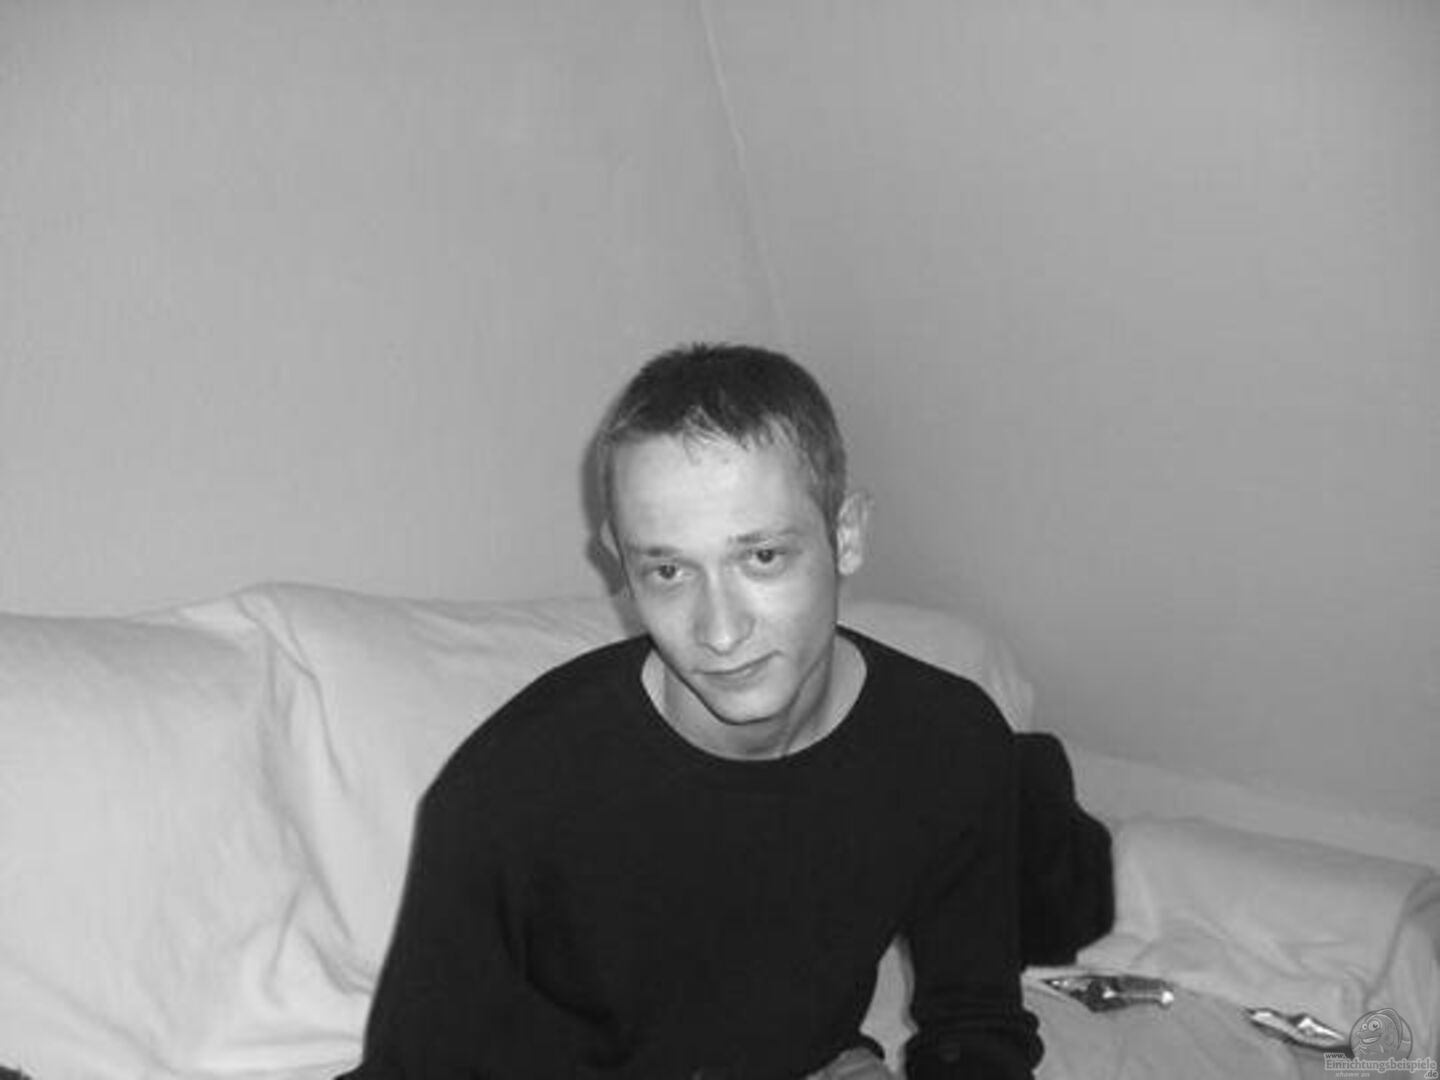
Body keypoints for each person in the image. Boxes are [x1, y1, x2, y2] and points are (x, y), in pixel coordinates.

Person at [341, 343, 1042, 1079]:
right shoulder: (510, 792)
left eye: (761, 557)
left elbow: (976, 1022)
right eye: (669, 570)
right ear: (620, 559)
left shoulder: (949, 743)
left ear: (847, 534)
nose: (720, 631)